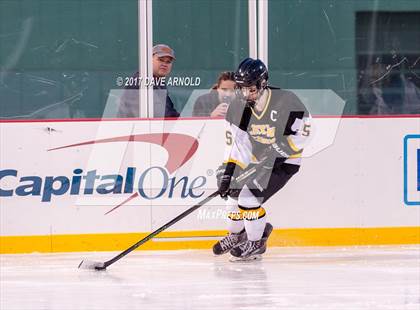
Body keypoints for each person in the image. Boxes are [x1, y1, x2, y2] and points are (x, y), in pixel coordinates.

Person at [213, 58, 312, 260]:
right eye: (242, 89)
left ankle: (257, 241)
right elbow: (238, 146)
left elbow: (307, 130)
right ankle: (237, 235)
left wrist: (280, 149)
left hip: (284, 163)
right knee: (232, 198)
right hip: (255, 160)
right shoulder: (237, 108)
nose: (246, 94)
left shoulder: (286, 100)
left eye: (251, 89)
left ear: (262, 83)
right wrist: (228, 173)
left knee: (249, 199)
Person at [117, 44, 180, 118]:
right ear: (149, 60)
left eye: (168, 62)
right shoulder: (141, 81)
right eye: (161, 60)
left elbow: (169, 112)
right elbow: (162, 114)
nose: (164, 64)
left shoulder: (158, 82)